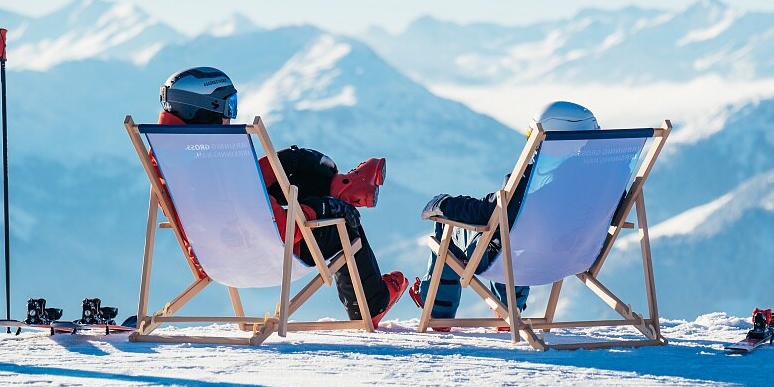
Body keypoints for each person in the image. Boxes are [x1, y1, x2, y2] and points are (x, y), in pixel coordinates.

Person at [157, 66, 408, 326]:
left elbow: (227, 199)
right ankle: (372, 301)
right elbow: (279, 229)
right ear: (205, 109)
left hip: (212, 254)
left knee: (293, 163)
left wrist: (268, 171)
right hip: (264, 252)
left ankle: (345, 184)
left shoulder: (168, 152)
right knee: (344, 218)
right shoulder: (220, 155)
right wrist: (319, 209)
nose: (230, 117)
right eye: (228, 107)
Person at [409, 101, 601, 329]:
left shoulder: (532, 182)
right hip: (575, 257)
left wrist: (446, 204)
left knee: (454, 230)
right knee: (515, 237)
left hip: (520, 261)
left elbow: (488, 212)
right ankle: (508, 308)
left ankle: (438, 311)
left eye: (533, 136)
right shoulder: (605, 184)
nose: (533, 145)